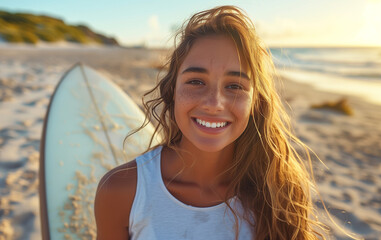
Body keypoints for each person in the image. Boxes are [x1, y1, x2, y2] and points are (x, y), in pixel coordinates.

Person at [95, 5, 330, 240]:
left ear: (255, 103)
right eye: (196, 81)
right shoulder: (122, 191)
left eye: (235, 86)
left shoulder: (279, 193)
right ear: (172, 91)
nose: (214, 103)